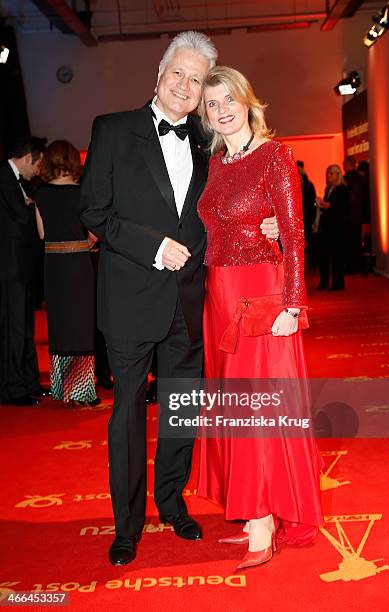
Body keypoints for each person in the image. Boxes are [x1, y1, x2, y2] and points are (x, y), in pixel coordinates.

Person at [79, 31, 278, 567]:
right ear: (159, 72)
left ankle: (171, 502)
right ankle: (127, 525)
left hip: (190, 303)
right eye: (179, 73)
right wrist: (152, 247)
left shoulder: (207, 139)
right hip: (129, 299)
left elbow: (231, 203)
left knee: (181, 413)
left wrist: (265, 223)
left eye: (196, 79)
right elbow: (94, 213)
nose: (186, 86)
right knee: (125, 416)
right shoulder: (113, 130)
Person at [197, 66, 323, 570]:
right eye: (212, 104)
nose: (222, 109)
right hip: (220, 297)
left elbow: (293, 234)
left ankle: (264, 520)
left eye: (229, 98)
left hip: (262, 297)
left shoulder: (276, 156)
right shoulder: (217, 164)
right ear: (205, 116)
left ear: (248, 101)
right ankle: (253, 509)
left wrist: (294, 305)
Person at [34, 141, 99, 407]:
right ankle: (83, 389)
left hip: (54, 267)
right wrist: (85, 244)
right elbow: (95, 233)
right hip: (79, 265)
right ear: (74, 162)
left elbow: (42, 235)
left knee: (60, 324)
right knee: (82, 325)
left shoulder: (40, 194)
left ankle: (63, 388)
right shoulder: (83, 193)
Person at [0, 136, 48, 406]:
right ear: (29, 158)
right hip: (9, 269)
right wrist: (33, 208)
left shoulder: (21, 182)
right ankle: (13, 388)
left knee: (25, 328)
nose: (39, 170)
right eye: (38, 163)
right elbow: (20, 216)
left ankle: (28, 381)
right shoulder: (4, 176)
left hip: (22, 267)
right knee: (14, 329)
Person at [316, 164, 348, 291]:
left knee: (337, 257)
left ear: (337, 175)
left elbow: (341, 208)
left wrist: (328, 205)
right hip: (327, 227)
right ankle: (324, 282)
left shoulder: (342, 189)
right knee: (324, 256)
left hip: (337, 228)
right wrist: (322, 204)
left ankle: (337, 283)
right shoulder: (328, 188)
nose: (328, 176)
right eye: (328, 173)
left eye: (331, 173)